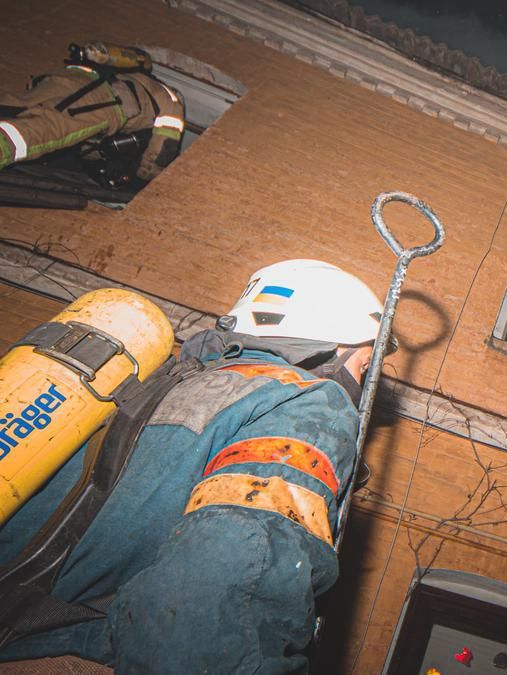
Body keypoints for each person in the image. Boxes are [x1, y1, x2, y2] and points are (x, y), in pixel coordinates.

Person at [0, 259, 385, 672]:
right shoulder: (304, 400)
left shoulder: (157, 382)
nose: (360, 388)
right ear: (330, 343)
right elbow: (231, 575)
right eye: (363, 366)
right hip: (67, 651)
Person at [0, 41, 185, 188]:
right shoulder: (168, 95)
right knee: (45, 129)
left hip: (63, 79)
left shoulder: (109, 71)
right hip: (106, 100)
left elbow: (91, 144)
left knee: (14, 110)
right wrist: (145, 177)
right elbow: (165, 146)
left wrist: (98, 164)